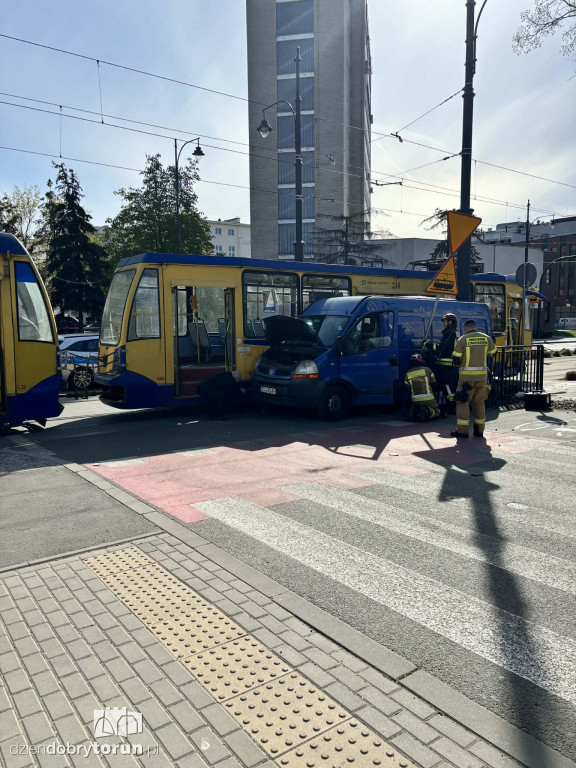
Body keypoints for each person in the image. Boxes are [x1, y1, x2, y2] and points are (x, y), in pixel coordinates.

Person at [451, 320, 496, 438]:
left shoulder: (463, 339)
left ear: (466, 328)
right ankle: (479, 431)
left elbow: (456, 358)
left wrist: (459, 366)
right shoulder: (486, 338)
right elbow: (493, 353)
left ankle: (462, 431)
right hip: (482, 377)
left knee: (462, 401)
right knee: (479, 402)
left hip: (466, 378)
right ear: (475, 327)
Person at [404, 354, 440, 421]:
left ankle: (416, 410)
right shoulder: (427, 370)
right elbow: (434, 383)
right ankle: (427, 410)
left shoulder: (407, 373)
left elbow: (408, 388)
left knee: (418, 405)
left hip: (415, 400)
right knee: (437, 412)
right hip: (429, 398)